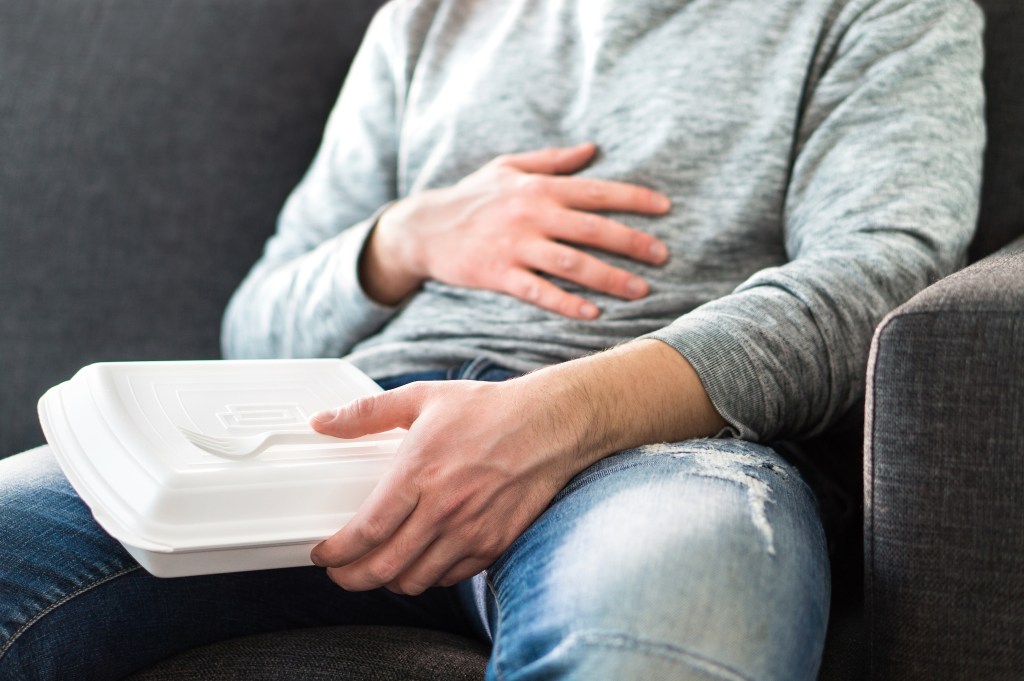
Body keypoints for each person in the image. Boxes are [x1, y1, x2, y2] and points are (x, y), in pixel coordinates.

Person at [0, 0, 984, 679]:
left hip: (650, 451)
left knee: (670, 641)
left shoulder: (881, 11)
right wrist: (406, 237)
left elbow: (879, 289)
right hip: (348, 429)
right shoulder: (428, 20)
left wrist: (559, 414)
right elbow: (254, 322)